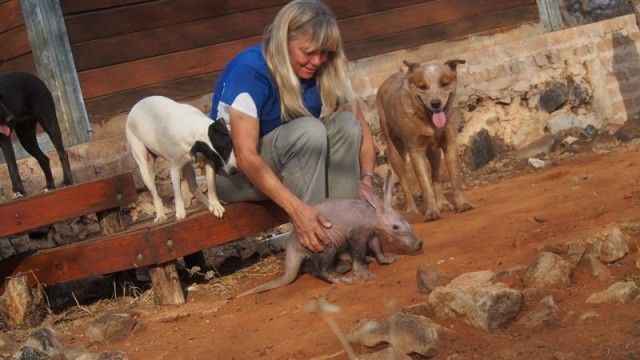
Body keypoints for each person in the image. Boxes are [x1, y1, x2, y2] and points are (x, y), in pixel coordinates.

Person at [210, 0, 376, 253]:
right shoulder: (250, 70)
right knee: (309, 131)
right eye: (307, 52)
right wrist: (298, 212)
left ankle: (345, 235)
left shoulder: (325, 66)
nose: (317, 60)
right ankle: (315, 245)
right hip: (235, 177)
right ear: (282, 41)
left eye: (324, 52)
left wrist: (367, 182)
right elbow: (244, 156)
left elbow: (361, 128)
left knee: (345, 125)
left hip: (284, 164)